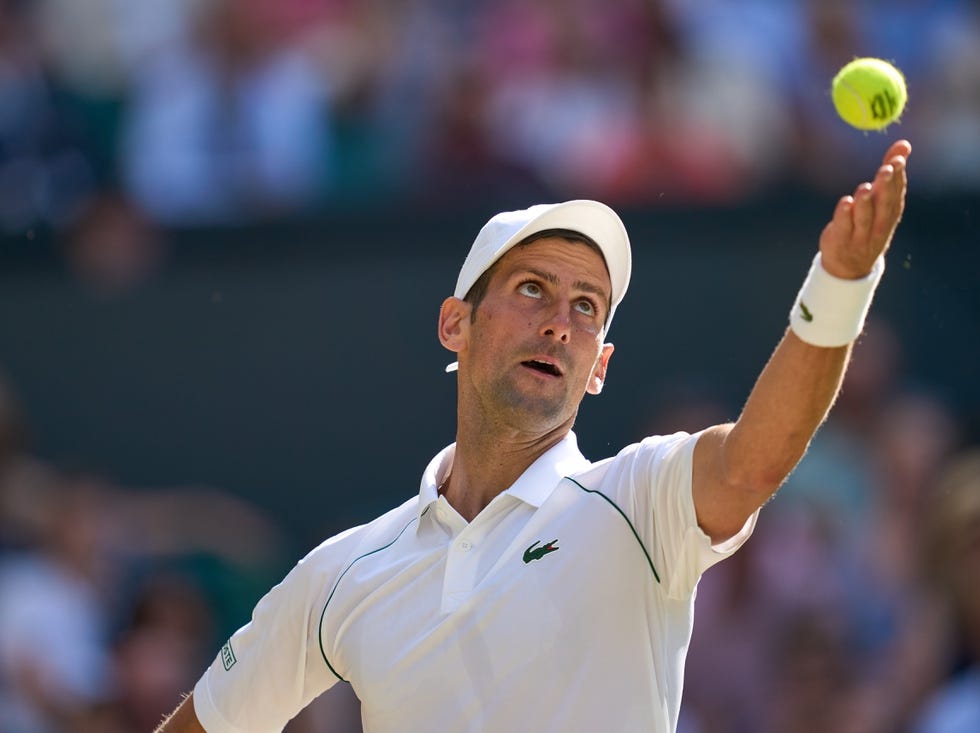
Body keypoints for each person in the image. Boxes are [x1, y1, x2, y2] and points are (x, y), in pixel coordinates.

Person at [155, 139, 912, 732]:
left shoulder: (637, 501)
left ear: (598, 369)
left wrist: (839, 284)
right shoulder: (340, 574)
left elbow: (752, 463)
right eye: (532, 289)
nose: (561, 320)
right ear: (456, 322)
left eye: (588, 306)